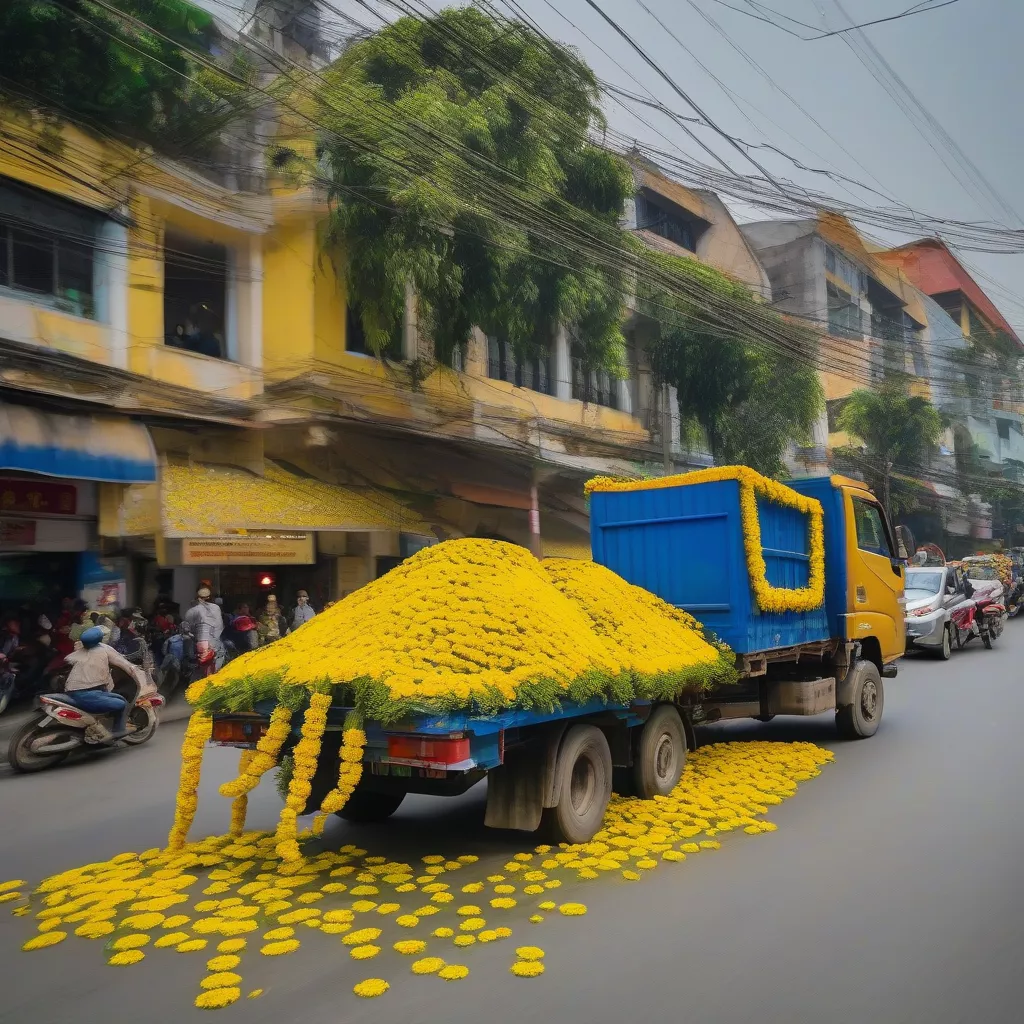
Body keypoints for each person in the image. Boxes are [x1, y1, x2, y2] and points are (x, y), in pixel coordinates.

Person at [63, 626, 138, 739]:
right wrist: (137, 670)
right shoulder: (104, 649)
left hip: (73, 690)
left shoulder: (80, 648)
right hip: (86, 694)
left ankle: (104, 724)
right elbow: (124, 664)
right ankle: (118, 731)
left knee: (120, 698)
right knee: (121, 704)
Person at [185, 587, 225, 671]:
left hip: (197, 643)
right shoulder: (216, 608)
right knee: (222, 652)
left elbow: (189, 629)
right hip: (212, 642)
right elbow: (219, 627)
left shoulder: (191, 611)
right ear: (209, 597)